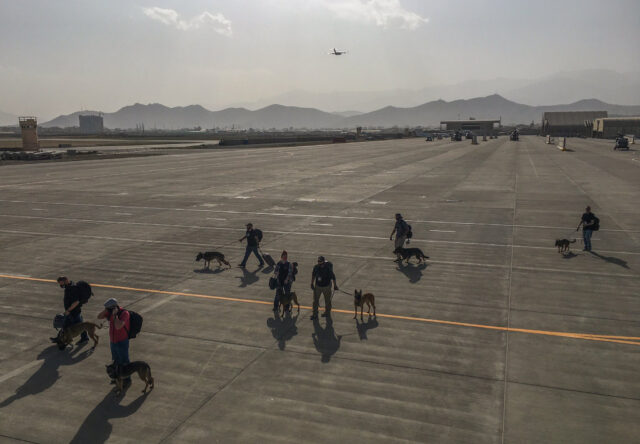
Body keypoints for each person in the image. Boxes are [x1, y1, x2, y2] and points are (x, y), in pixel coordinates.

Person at [98, 298, 131, 388]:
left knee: (124, 361)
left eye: (108, 309)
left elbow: (118, 326)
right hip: (113, 341)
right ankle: (117, 378)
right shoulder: (109, 312)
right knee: (116, 361)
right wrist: (106, 310)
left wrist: (115, 315)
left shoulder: (124, 313)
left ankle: (127, 380)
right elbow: (99, 316)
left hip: (122, 341)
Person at [51, 276, 88, 344]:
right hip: (72, 311)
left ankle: (84, 338)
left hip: (73, 311)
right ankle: (60, 338)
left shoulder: (72, 288)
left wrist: (68, 310)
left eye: (61, 283)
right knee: (71, 325)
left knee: (74, 325)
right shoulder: (69, 286)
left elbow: (76, 302)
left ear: (66, 281)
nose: (61, 285)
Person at [310, 256, 338, 320]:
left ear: (323, 262)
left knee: (327, 300)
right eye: (318, 261)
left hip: (326, 287)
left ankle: (327, 312)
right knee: (315, 301)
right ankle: (315, 314)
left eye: (320, 261)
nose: (319, 262)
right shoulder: (316, 267)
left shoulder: (328, 268)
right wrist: (311, 283)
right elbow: (313, 275)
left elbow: (333, 277)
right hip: (318, 286)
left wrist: (335, 285)